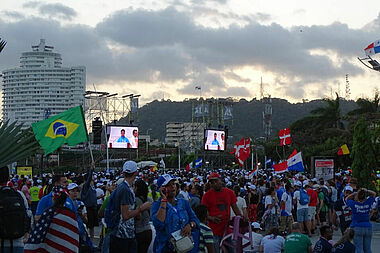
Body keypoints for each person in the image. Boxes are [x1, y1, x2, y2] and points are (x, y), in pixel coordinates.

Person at [109, 161, 152, 253]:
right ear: (136, 173)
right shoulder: (125, 190)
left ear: (123, 173)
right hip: (122, 235)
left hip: (126, 234)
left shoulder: (125, 188)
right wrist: (141, 208)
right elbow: (125, 215)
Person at [152, 174, 200, 252]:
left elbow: (195, 220)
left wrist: (190, 225)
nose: (173, 187)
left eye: (173, 184)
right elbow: (158, 224)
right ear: (162, 189)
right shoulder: (156, 205)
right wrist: (164, 200)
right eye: (168, 185)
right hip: (166, 248)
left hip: (185, 247)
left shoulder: (183, 202)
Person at [24, 186, 80, 253]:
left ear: (53, 198)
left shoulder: (49, 213)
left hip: (50, 245)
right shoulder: (71, 214)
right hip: (67, 246)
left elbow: (39, 229)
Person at [202, 172, 242, 253]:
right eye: (212, 182)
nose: (214, 184)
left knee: (232, 250)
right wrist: (211, 218)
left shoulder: (230, 192)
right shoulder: (206, 196)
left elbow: (235, 208)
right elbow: (203, 212)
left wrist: (241, 219)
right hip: (213, 231)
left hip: (227, 230)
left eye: (216, 181)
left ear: (220, 180)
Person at [0, 166, 32, 253]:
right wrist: (26, 234)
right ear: (8, 177)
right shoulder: (19, 194)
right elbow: (29, 215)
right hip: (18, 242)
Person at [346, 188, 376, 253]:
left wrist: (354, 193)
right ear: (365, 197)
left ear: (357, 197)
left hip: (357, 226)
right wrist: (366, 190)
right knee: (368, 249)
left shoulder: (353, 204)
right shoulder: (368, 203)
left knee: (358, 248)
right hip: (368, 227)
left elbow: (347, 199)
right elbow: (374, 194)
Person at [134, 179, 153, 253]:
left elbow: (138, 217)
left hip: (138, 231)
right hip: (148, 230)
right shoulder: (150, 199)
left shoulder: (135, 200)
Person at [81, 167, 98, 239]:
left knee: (92, 226)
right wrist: (91, 169)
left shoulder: (92, 186)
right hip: (88, 208)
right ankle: (87, 240)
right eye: (92, 176)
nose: (94, 177)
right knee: (89, 225)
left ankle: (92, 239)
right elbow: (88, 179)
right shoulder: (86, 186)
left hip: (93, 207)